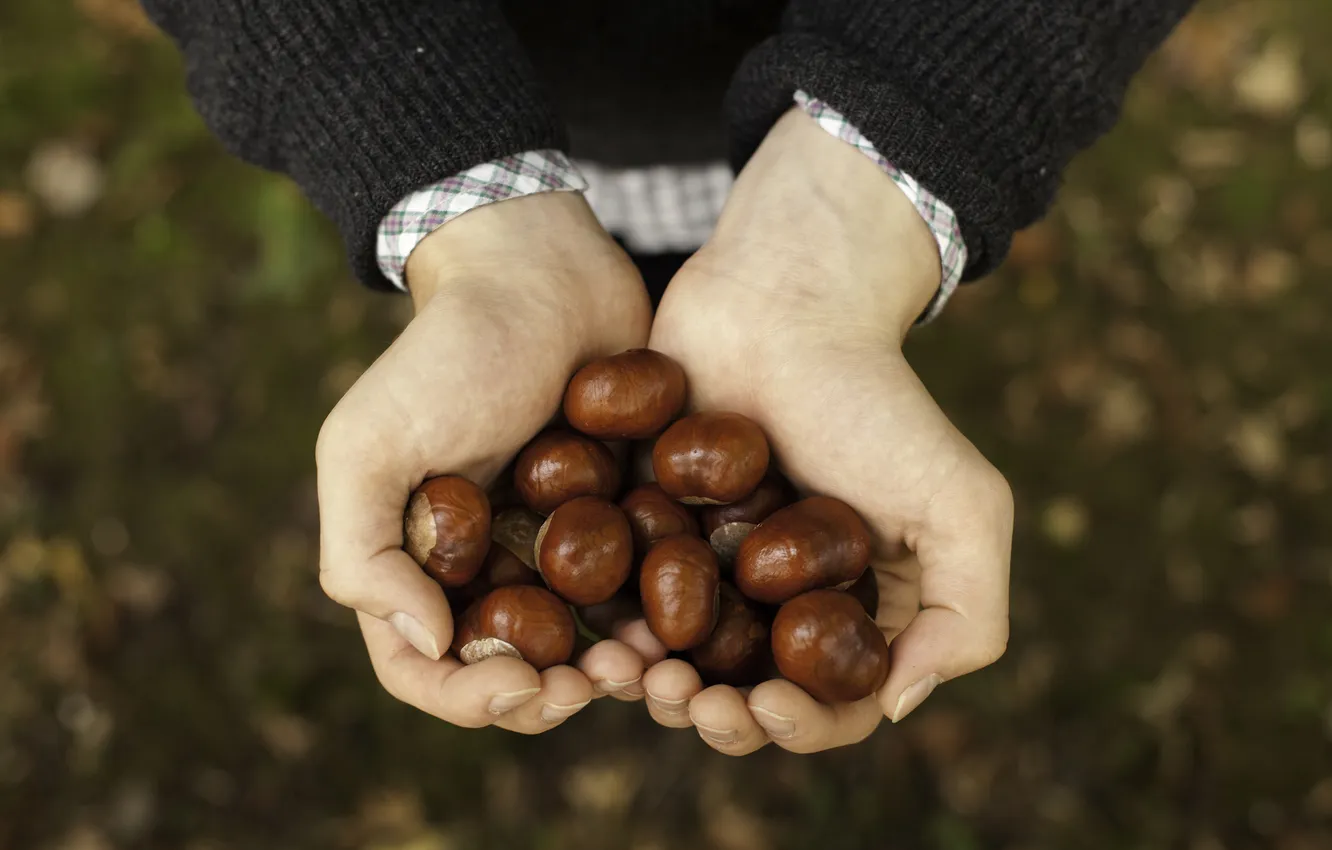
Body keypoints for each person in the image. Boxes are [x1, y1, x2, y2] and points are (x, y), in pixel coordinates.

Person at [142, 0, 1197, 755]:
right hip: (495, 107)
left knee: (681, 360)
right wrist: (446, 182)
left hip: (832, 125)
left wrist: (883, 162)